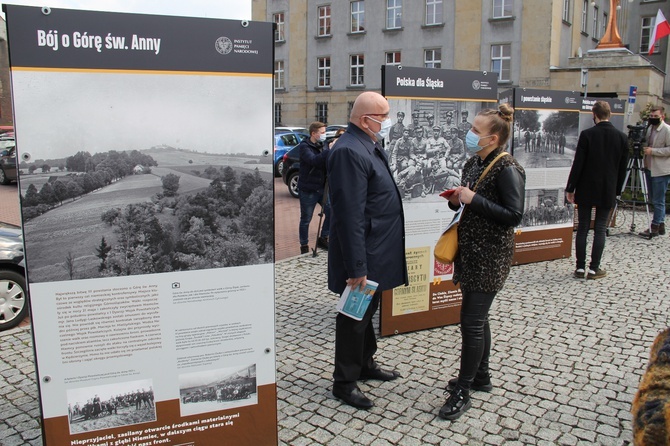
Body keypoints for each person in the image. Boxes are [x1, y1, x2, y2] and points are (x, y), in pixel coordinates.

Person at [438, 104, 525, 421]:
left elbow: (514, 215)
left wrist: (475, 199)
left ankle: (463, 388)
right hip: (470, 253)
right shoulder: (473, 163)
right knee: (479, 319)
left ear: (493, 138)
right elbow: (466, 206)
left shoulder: (508, 168)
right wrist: (456, 200)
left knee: (471, 322)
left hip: (490, 257)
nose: (470, 135)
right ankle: (481, 376)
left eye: (476, 131)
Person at [327, 91, 408, 410]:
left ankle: (364, 363)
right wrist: (356, 267)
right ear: (365, 119)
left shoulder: (369, 143)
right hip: (366, 253)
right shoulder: (349, 151)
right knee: (354, 316)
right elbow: (349, 215)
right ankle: (344, 382)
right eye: (383, 116)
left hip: (379, 247)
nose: (387, 121)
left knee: (368, 312)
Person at [565, 100, 628, 279]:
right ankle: (594, 268)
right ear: (610, 115)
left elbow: (578, 164)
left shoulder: (587, 135)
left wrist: (571, 187)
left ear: (594, 115)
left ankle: (579, 267)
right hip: (607, 188)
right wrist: (616, 190)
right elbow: (622, 169)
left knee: (583, 227)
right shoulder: (622, 138)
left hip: (586, 187)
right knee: (600, 228)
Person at [297, 121, 330, 254]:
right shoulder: (304, 147)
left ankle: (323, 237)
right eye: (322, 133)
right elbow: (314, 161)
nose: (324, 135)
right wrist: (328, 151)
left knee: (331, 212)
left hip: (322, 187)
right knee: (306, 219)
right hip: (308, 189)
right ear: (313, 134)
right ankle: (304, 245)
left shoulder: (323, 145)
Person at [640, 106, 670, 237]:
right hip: (649, 167)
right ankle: (661, 224)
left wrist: (653, 151)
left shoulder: (667, 130)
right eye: (651, 116)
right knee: (654, 198)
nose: (652, 119)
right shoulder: (649, 129)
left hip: (660, 170)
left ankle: (655, 226)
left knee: (658, 200)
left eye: (655, 116)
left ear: (662, 116)